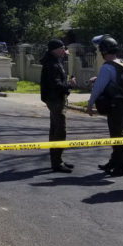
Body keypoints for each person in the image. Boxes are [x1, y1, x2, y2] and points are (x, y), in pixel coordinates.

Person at [85, 36, 123, 176]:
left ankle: (122, 167)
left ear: (104, 51)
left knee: (117, 136)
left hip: (115, 105)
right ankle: (114, 162)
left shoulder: (107, 67)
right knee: (117, 134)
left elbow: (98, 88)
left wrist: (89, 104)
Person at [40, 38, 75, 173]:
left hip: (54, 99)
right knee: (60, 131)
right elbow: (57, 85)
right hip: (55, 100)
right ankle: (57, 162)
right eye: (62, 49)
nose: (64, 52)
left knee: (55, 129)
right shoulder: (52, 65)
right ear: (55, 50)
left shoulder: (54, 62)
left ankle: (57, 159)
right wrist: (70, 85)